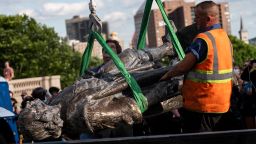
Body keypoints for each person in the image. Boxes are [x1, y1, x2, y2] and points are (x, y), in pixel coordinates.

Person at [161, 1, 233, 133]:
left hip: (202, 106)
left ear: (208, 18)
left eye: (198, 16)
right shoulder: (224, 38)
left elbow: (181, 68)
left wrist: (165, 76)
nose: (195, 20)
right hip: (222, 105)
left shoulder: (204, 39)